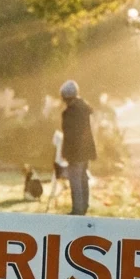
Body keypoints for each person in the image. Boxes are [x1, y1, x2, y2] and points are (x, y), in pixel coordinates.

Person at [59, 79, 97, 216]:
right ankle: (84, 205)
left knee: (75, 179)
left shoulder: (71, 112)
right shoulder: (84, 108)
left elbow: (69, 134)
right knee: (83, 178)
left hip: (75, 151)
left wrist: (65, 152)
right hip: (86, 149)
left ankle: (77, 209)